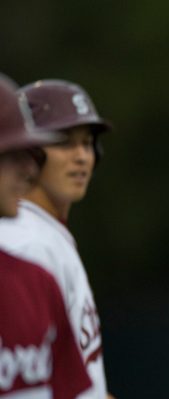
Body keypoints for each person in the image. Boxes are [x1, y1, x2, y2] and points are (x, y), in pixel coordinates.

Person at [0, 79, 113, 399]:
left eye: (88, 142)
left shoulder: (49, 237)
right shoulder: (25, 245)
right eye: (64, 142)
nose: (82, 156)